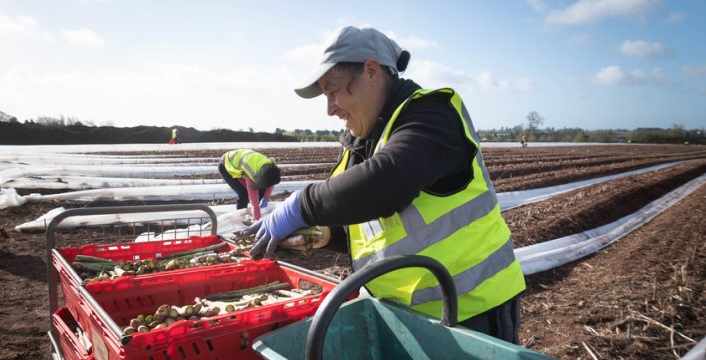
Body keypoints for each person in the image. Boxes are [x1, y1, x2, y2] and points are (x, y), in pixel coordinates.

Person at [243, 26, 526, 343]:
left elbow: (387, 184)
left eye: (333, 90)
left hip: (472, 315)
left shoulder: (432, 115)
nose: (329, 108)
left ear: (372, 71)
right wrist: (327, 236)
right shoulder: (364, 141)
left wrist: (301, 206)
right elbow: (378, 227)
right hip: (407, 318)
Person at [218, 149, 281, 221]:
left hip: (244, 163)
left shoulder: (271, 167)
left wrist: (266, 198)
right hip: (226, 164)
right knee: (243, 193)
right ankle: (241, 220)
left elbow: (271, 182)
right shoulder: (251, 172)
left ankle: (255, 217)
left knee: (261, 191)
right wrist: (257, 223)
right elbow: (254, 203)